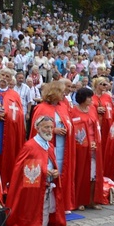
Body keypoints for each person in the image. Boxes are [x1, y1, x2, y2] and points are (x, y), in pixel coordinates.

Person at [6, 116, 67, 226]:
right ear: (37, 128)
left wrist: (55, 172)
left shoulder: (49, 145)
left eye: (51, 127)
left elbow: (51, 162)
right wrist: (44, 171)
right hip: (33, 187)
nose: (49, 130)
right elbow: (22, 168)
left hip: (47, 184)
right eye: (46, 127)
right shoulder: (30, 146)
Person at [30, 81, 76, 210]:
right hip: (49, 146)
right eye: (62, 92)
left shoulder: (63, 106)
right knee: (50, 172)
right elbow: (36, 128)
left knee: (62, 171)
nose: (64, 94)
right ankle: (46, 205)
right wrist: (54, 130)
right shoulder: (42, 108)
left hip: (63, 146)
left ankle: (61, 203)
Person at [71, 87, 105, 210]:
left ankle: (92, 200)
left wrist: (96, 142)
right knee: (81, 174)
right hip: (81, 147)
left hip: (95, 145)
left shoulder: (92, 109)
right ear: (82, 98)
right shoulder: (73, 111)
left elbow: (97, 127)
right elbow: (73, 132)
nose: (91, 99)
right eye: (89, 97)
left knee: (94, 174)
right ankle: (80, 200)